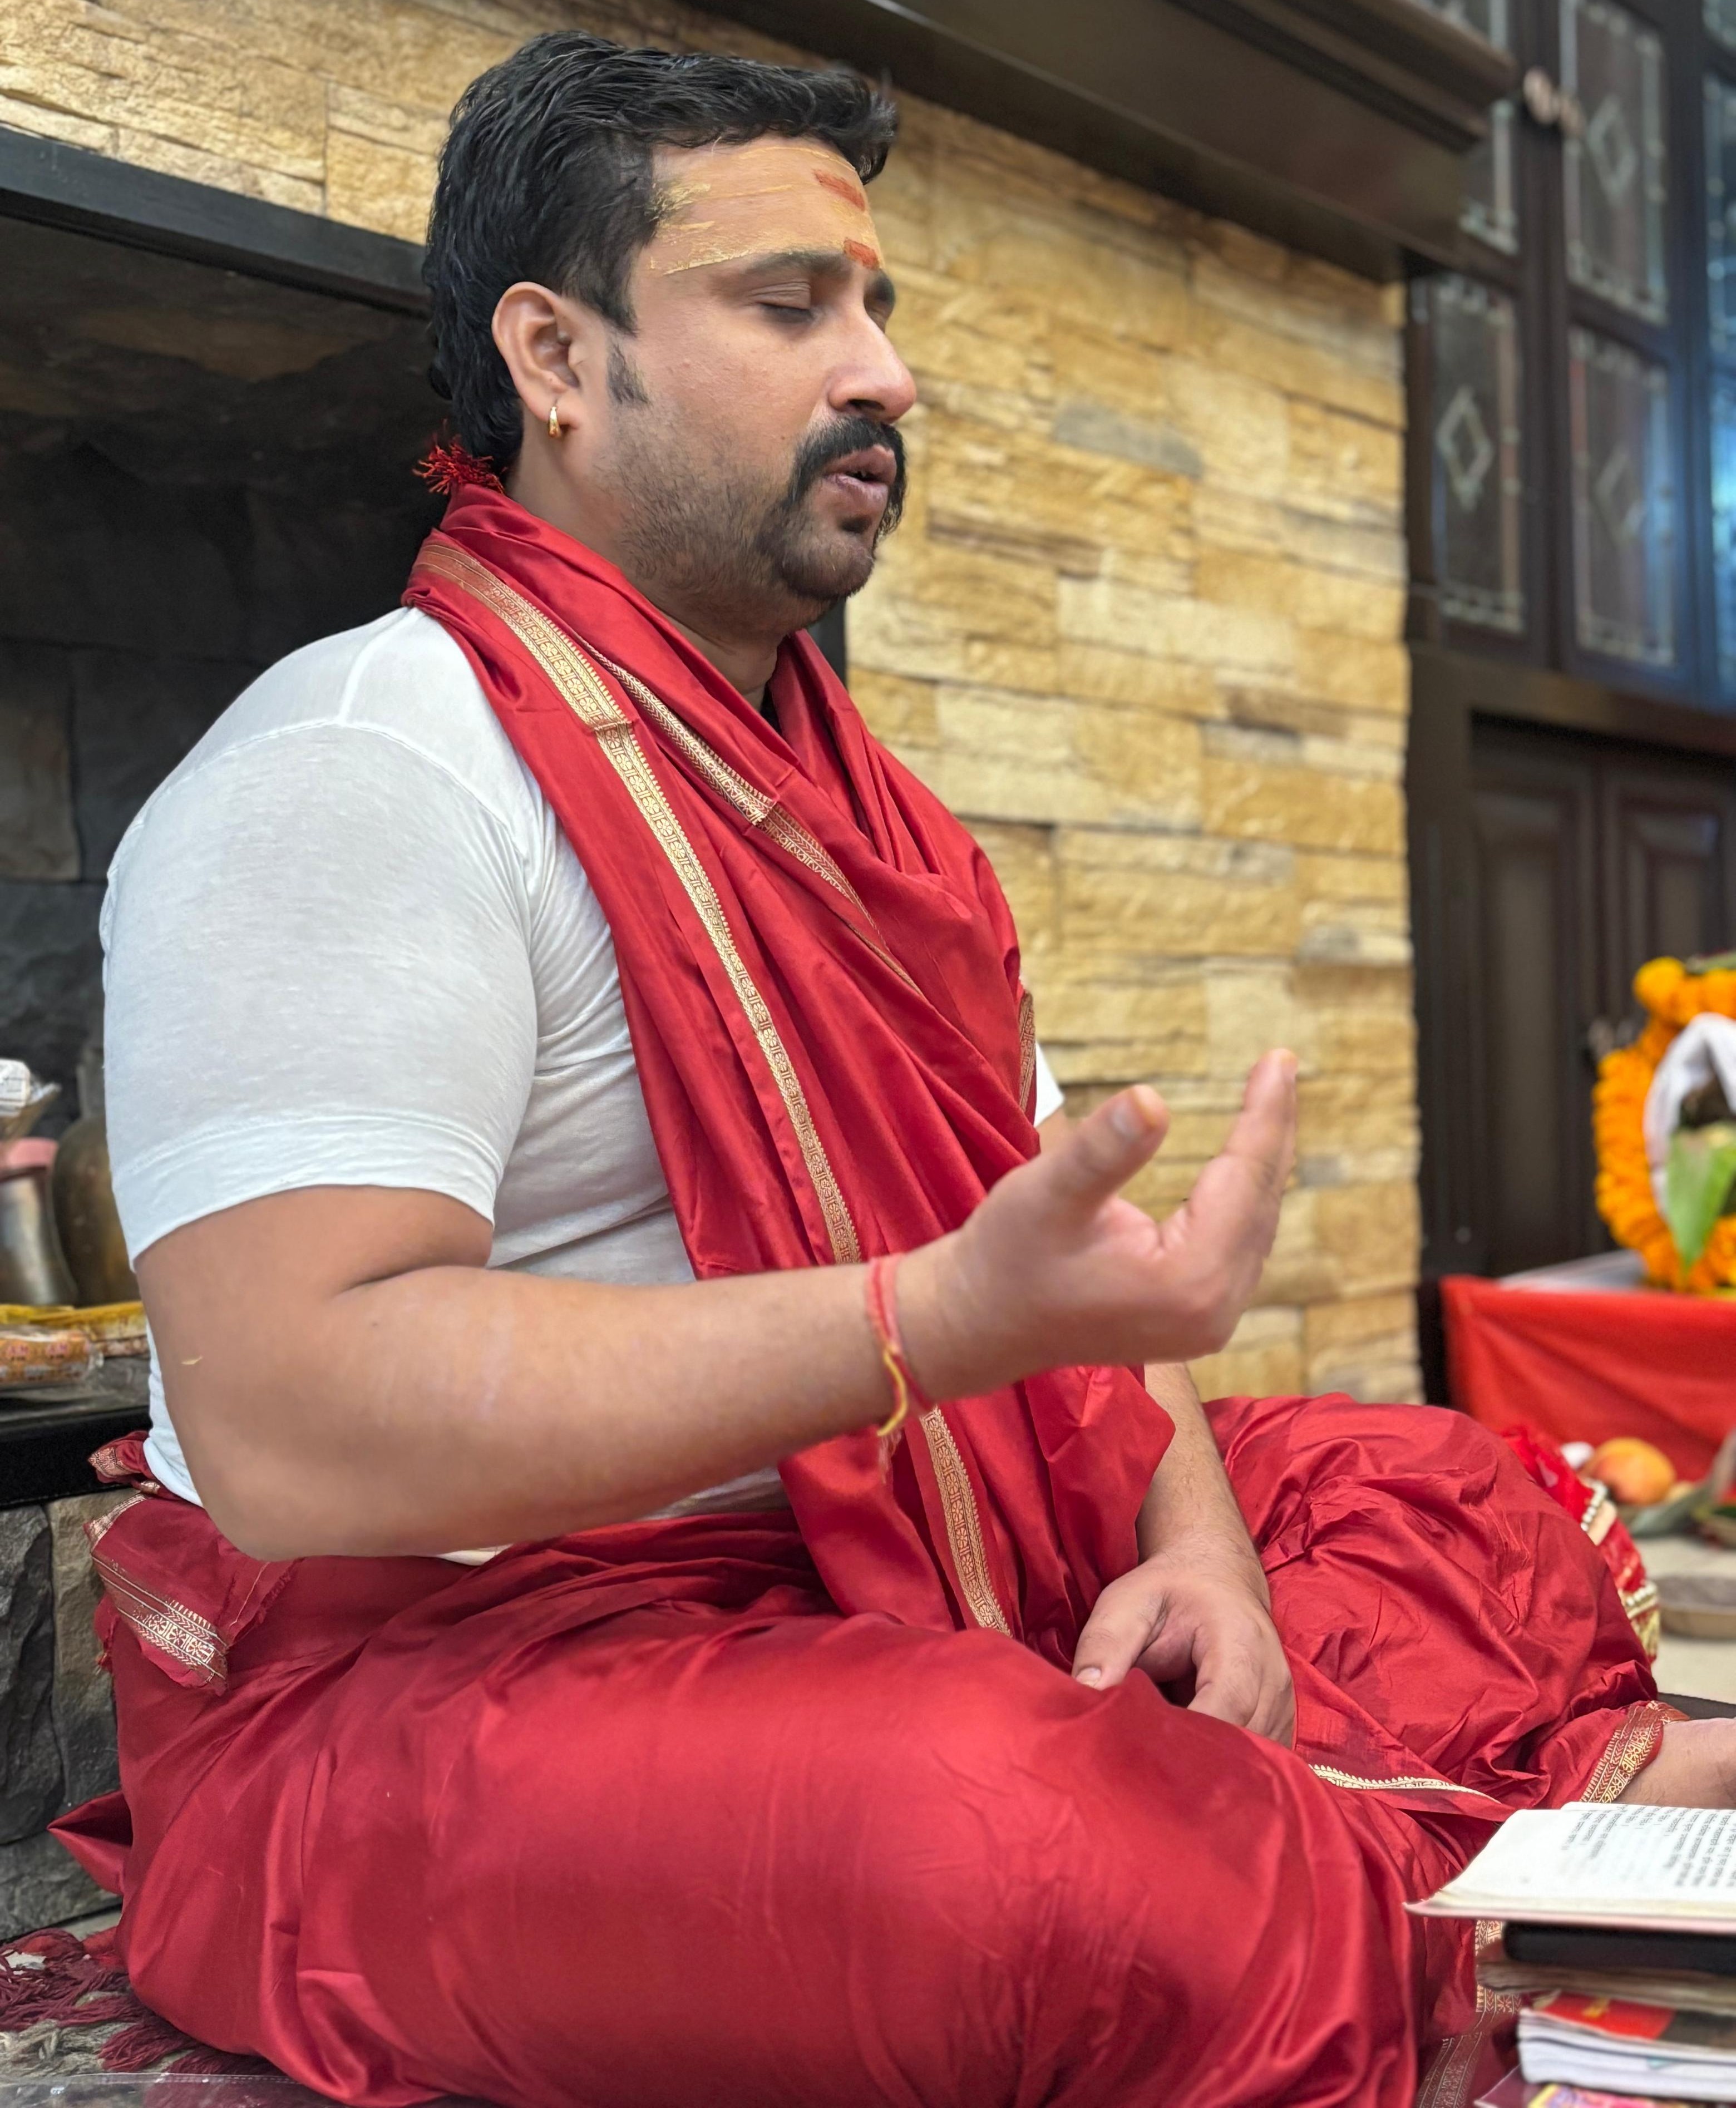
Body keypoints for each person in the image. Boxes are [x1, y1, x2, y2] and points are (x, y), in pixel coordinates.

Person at [52, 31, 1724, 2108]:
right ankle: (1479, 1886)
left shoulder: (866, 816)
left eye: (875, 304)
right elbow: (291, 1428)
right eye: (789, 305)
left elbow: (1056, 1290)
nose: (887, 375)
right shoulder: (354, 770)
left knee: (1450, 1495)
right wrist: (920, 1327)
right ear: (556, 357)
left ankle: (1464, 1858)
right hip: (423, 1672)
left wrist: (1195, 1549)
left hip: (884, 1551)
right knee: (1018, 1858)